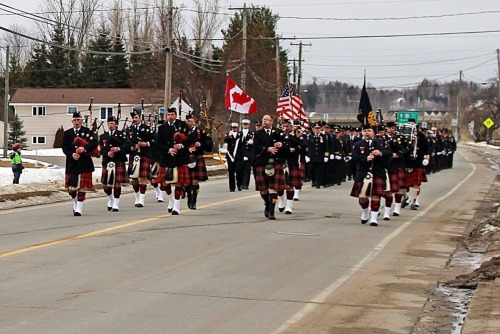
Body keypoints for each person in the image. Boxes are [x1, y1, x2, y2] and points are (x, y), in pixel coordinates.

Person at [350, 124, 392, 226]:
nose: (367, 133)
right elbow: (354, 157)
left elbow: (389, 153)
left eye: (369, 130)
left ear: (374, 132)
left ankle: (374, 219)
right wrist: (365, 159)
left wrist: (380, 153)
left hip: (377, 172)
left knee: (375, 196)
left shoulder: (381, 143)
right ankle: (365, 212)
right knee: (362, 197)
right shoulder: (358, 144)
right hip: (363, 173)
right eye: (365, 131)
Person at [156, 107, 194, 215]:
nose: (170, 116)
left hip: (180, 158)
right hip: (167, 158)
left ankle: (177, 206)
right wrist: (168, 150)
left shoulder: (182, 125)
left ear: (176, 115)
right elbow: (158, 143)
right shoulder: (162, 127)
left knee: (179, 182)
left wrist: (182, 145)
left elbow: (192, 137)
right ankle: (171, 199)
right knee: (164, 183)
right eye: (168, 115)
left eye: (172, 114)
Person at [61, 111, 98, 216]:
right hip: (72, 163)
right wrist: (71, 154)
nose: (76, 122)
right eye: (74, 120)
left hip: (84, 163)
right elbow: (64, 147)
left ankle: (79, 209)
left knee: (82, 186)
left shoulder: (87, 132)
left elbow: (95, 143)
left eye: (78, 120)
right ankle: (76, 201)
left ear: (81, 121)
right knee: (71, 189)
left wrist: (85, 148)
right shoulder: (67, 133)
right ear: (72, 121)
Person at [253, 114, 289, 220]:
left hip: (275, 162)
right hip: (262, 162)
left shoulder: (279, 133)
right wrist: (267, 149)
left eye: (267, 120)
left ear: (272, 122)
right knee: (263, 189)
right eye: (263, 120)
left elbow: (287, 146)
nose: (264, 122)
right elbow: (255, 146)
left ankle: (272, 211)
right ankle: (267, 204)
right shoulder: (258, 134)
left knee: (273, 188)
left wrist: (281, 145)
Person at [99, 116, 129, 212]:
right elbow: (100, 149)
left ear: (116, 124)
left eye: (112, 123)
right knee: (105, 185)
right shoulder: (103, 137)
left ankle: (116, 203)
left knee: (117, 183)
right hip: (107, 161)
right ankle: (111, 198)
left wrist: (118, 149)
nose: (110, 125)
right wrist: (107, 152)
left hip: (118, 160)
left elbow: (128, 145)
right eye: (109, 123)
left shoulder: (122, 135)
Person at [126, 107, 155, 208]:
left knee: (143, 177)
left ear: (140, 117)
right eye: (133, 117)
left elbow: (154, 140)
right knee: (134, 178)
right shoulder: (129, 129)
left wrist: (146, 143)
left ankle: (142, 199)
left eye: (136, 117)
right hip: (134, 155)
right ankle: (137, 197)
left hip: (144, 155)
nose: (134, 119)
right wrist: (132, 146)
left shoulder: (147, 128)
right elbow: (126, 142)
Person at [185, 113, 213, 209]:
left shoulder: (201, 132)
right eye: (187, 121)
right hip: (186, 158)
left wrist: (201, 144)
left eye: (190, 120)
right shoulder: (183, 132)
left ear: (195, 122)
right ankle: (189, 196)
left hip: (197, 157)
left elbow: (209, 142)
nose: (188, 122)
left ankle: (194, 200)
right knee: (187, 181)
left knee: (195, 181)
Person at [224, 122, 244, 192]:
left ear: (237, 128)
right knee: (231, 172)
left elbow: (242, 145)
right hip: (230, 156)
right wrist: (228, 136)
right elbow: (225, 140)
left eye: (235, 128)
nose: (234, 129)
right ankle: (232, 187)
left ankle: (240, 185)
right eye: (233, 128)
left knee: (239, 171)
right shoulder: (229, 135)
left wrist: (244, 155)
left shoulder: (240, 135)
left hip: (238, 156)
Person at [240, 119, 255, 189]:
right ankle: (240, 183)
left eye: (246, 124)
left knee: (247, 170)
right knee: (240, 169)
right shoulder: (239, 133)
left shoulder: (252, 134)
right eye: (244, 124)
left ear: (248, 125)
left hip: (249, 154)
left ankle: (245, 184)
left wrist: (252, 142)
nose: (245, 125)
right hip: (241, 155)